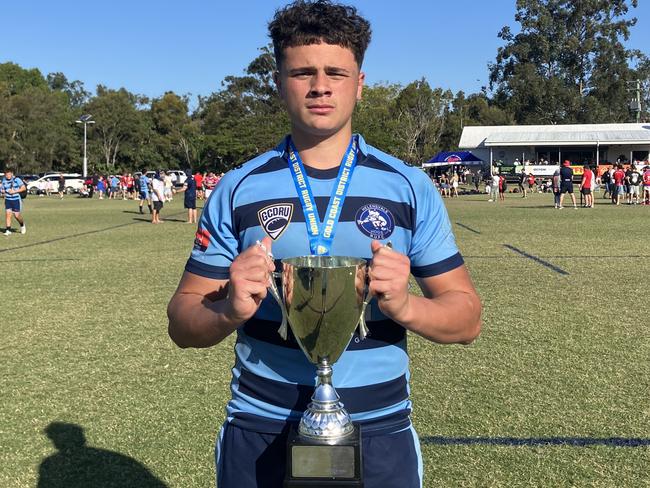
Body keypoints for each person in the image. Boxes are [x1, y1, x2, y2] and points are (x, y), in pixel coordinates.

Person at [167, 2, 481, 487]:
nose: (320, 85)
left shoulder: (408, 186)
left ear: (360, 82)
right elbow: (182, 322)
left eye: (336, 71)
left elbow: (467, 319)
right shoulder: (238, 188)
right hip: (261, 425)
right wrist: (229, 308)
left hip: (379, 428)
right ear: (278, 81)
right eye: (302, 72)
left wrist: (406, 307)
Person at [1, 168, 27, 235]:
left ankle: (22, 225)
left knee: (16, 215)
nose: (8, 176)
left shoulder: (17, 180)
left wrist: (15, 191)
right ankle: (8, 230)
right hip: (8, 200)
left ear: (12, 174)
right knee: (8, 214)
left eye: (9, 174)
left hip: (16, 200)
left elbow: (23, 188)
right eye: (6, 175)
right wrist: (3, 191)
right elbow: (3, 189)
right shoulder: (4, 180)